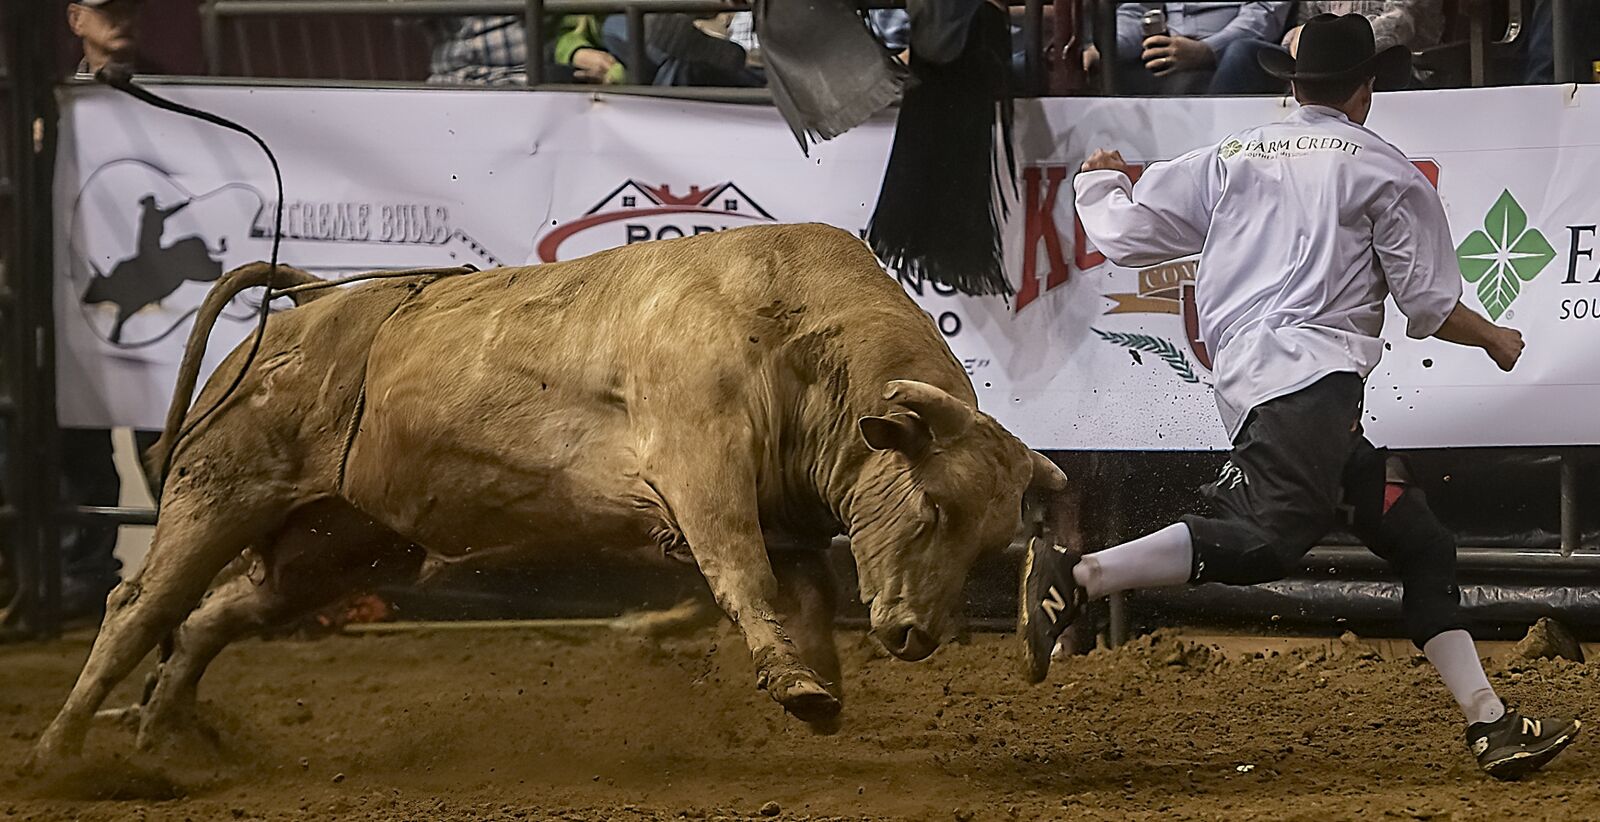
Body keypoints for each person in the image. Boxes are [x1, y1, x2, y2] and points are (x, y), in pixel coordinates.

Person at [1021, 14, 1581, 780]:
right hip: (1310, 386)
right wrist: (1493, 337)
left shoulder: (1232, 154)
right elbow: (1426, 306)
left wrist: (1099, 179)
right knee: (1267, 541)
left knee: (1419, 542)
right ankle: (1077, 576)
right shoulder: (1385, 171)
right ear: (1365, 89)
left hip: (1260, 385)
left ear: (1294, 85)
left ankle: (1491, 723)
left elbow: (1124, 235)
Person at [1211, 1, 1442, 94]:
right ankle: (1218, 153)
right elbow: (1303, 26)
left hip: (1387, 65)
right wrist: (1297, 37)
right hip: (1320, 65)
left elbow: (1399, 25)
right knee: (1242, 54)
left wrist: (1328, 42)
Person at [1083, 2, 1289, 95]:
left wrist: (1206, 51)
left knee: (1239, 53)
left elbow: (1264, 14)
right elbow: (1136, 12)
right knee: (1105, 64)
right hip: (1164, 56)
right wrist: (1105, 48)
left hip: (1229, 56)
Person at [67, 0, 141, 77]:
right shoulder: (62, 84)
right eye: (112, 11)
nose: (126, 22)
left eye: (131, 10)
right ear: (76, 18)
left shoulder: (153, 84)